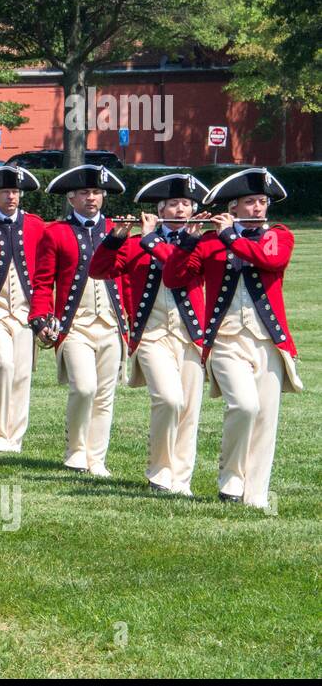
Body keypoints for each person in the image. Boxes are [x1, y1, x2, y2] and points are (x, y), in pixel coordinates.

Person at [162, 169, 300, 508]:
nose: (257, 208)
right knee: (244, 405)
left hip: (269, 341)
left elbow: (271, 260)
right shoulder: (209, 240)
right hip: (224, 340)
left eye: (262, 202)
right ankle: (230, 482)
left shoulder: (278, 235)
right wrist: (191, 240)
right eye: (250, 202)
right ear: (233, 207)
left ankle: (255, 495)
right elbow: (174, 277)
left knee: (266, 417)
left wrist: (228, 237)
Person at [90, 174, 208, 495]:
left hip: (191, 335)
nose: (180, 209)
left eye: (186, 203)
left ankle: (181, 479)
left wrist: (152, 240)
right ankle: (159, 472)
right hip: (152, 335)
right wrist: (115, 238)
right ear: (160, 208)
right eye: (173, 204)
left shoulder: (201, 243)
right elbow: (98, 270)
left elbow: (180, 271)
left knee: (189, 410)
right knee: (169, 400)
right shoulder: (136, 242)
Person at [30, 165, 128, 477]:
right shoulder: (55, 233)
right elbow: (43, 281)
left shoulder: (116, 230)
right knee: (84, 388)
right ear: (71, 198)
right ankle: (75, 449)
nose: (92, 198)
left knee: (105, 395)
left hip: (111, 324)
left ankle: (96, 459)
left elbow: (127, 279)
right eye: (85, 192)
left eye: (97, 192)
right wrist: (40, 318)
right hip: (74, 326)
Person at [0, 164, 45, 454]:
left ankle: (15, 437)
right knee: (2, 365)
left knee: (23, 374)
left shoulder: (36, 225)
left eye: (15, 192)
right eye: (6, 192)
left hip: (24, 313)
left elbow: (43, 272)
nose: (12, 197)